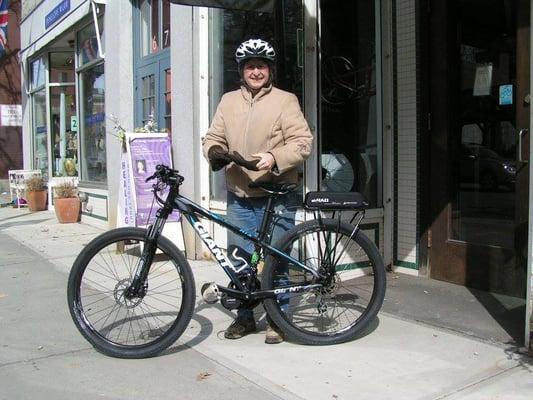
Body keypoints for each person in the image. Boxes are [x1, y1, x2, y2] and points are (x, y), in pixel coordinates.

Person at [202, 38, 313, 344]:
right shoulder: (228, 101)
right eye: (250, 66)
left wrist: (274, 157)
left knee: (276, 262)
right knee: (240, 261)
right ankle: (245, 317)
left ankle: (278, 321)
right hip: (240, 196)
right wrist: (214, 151)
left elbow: (302, 142)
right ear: (242, 70)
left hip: (277, 194)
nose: (256, 71)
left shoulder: (285, 100)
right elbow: (213, 136)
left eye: (261, 66)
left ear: (270, 70)